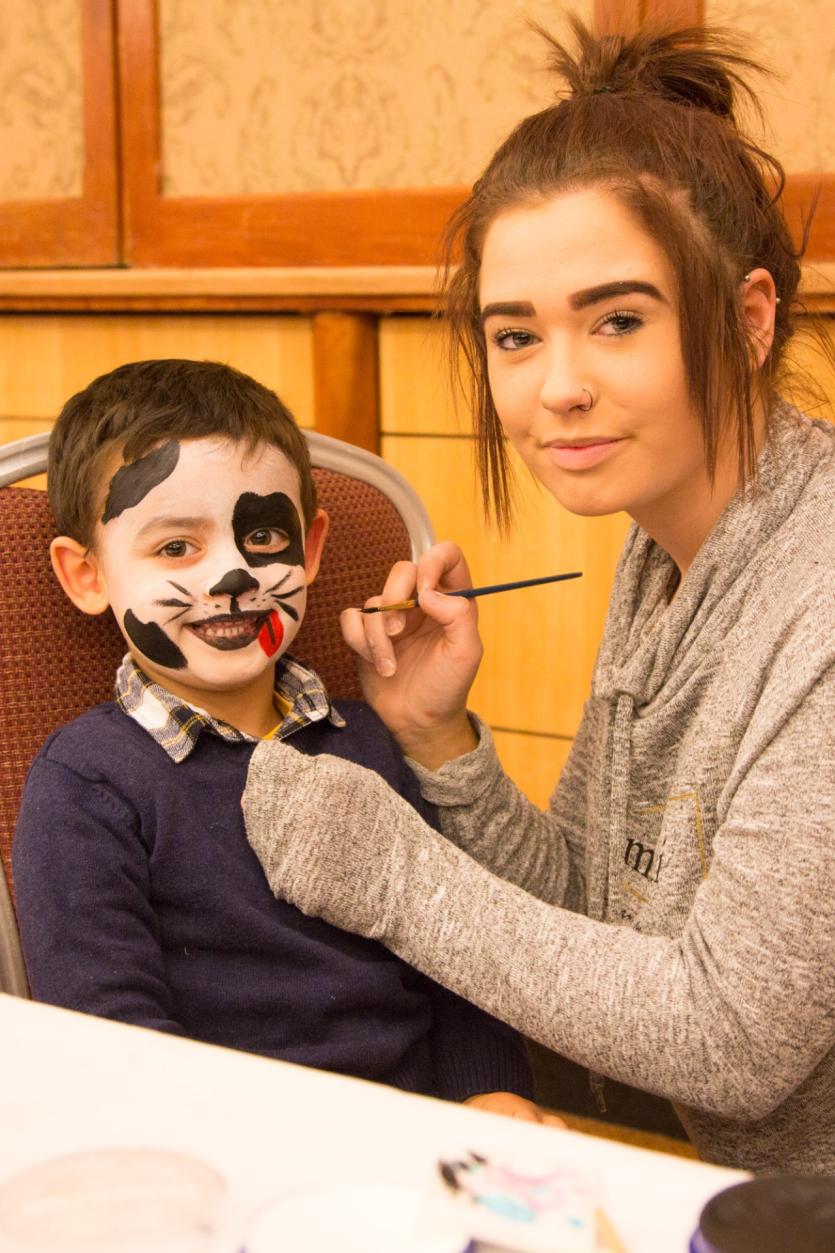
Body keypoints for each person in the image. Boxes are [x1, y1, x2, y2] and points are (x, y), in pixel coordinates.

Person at [240, 22, 835, 1174]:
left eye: (618, 321)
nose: (557, 387)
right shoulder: (666, 550)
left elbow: (731, 1035)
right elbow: (601, 913)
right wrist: (441, 741)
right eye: (515, 335)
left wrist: (393, 874)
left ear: (748, 318)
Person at [12, 357, 539, 1117]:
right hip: (220, 1139)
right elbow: (111, 1039)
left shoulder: (371, 743)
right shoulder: (88, 784)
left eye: (261, 535)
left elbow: (456, 952)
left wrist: (491, 1088)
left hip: (419, 1128)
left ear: (310, 549)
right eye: (175, 548)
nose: (232, 576)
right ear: (87, 576)